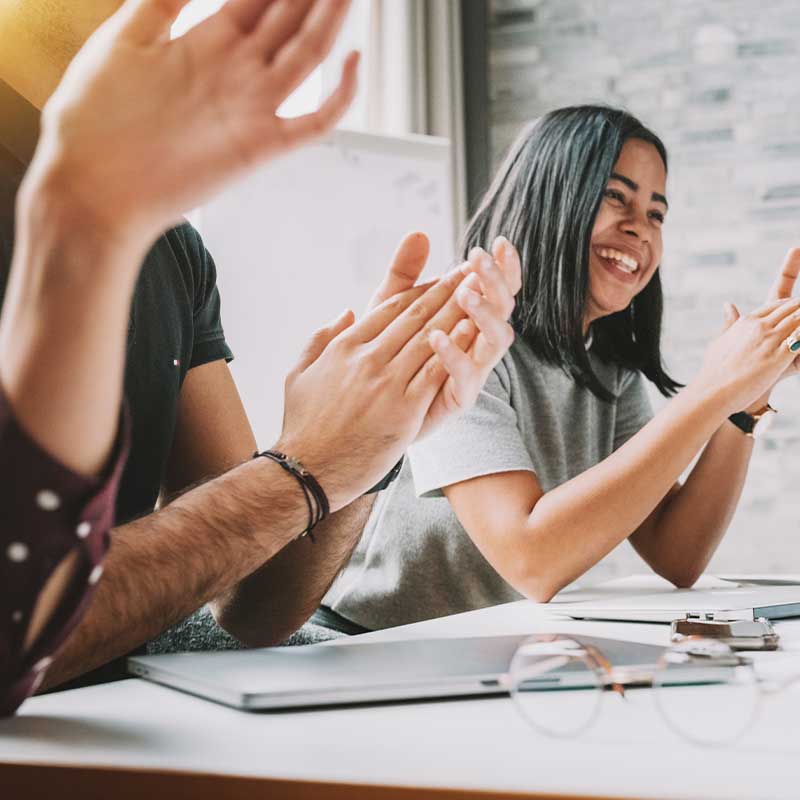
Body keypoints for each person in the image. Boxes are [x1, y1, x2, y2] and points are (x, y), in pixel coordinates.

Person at [0, 0, 520, 708]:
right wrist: (306, 468)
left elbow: (246, 606)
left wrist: (366, 447)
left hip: (122, 730)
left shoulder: (171, 244)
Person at [242, 103, 799, 637]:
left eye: (657, 213)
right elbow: (531, 558)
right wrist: (712, 388)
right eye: (615, 198)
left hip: (485, 644)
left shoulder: (610, 369)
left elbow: (677, 554)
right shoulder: (468, 341)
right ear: (549, 201)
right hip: (358, 642)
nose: (642, 230)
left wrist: (744, 401)